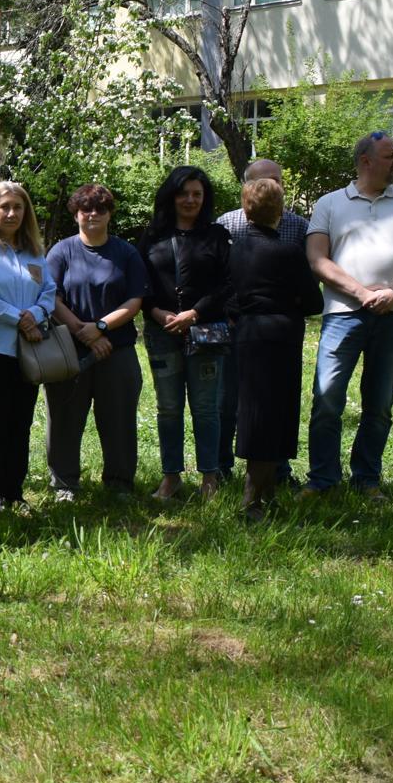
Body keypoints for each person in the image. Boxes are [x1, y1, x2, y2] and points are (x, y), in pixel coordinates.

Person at [304, 132, 393, 501]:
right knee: (327, 399)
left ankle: (366, 479)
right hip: (343, 314)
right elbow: (317, 259)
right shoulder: (330, 203)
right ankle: (322, 480)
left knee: (379, 403)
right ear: (365, 161)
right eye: (389, 155)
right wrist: (363, 294)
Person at [225, 178, 323, 518]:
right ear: (279, 209)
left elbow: (229, 296)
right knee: (275, 414)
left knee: (255, 411)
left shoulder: (234, 249)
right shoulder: (288, 251)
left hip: (248, 334)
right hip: (282, 335)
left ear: (246, 209)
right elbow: (313, 301)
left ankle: (265, 495)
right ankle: (252, 500)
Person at [45, 183, 147, 500]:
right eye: (85, 208)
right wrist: (83, 332)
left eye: (100, 208)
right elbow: (51, 298)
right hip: (69, 349)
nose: (92, 214)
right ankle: (64, 483)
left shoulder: (126, 253)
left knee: (119, 418)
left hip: (117, 348)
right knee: (64, 417)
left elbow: (135, 300)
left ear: (109, 214)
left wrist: (101, 328)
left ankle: (119, 482)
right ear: (75, 213)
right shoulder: (61, 252)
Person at [137, 165, 232, 500]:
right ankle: (171, 476)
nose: (190, 200)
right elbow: (140, 283)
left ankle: (210, 478)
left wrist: (194, 313)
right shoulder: (152, 236)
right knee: (168, 407)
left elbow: (228, 284)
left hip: (204, 333)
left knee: (206, 408)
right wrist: (156, 312)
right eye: (183, 193)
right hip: (162, 331)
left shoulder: (216, 236)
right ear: (171, 196)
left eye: (197, 194)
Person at [216, 158, 309, 482]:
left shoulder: (299, 227)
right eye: (264, 181)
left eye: (278, 180)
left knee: (277, 401)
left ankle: (278, 470)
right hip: (237, 327)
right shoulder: (226, 224)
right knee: (227, 399)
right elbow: (219, 277)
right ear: (246, 187)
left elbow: (305, 280)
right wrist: (229, 313)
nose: (273, 186)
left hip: (278, 332)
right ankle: (221, 466)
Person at [0, 181, 55, 511]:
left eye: (18, 207)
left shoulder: (35, 252)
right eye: (4, 207)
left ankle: (15, 492)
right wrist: (20, 318)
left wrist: (37, 314)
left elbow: (49, 291)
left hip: (28, 349)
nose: (11, 213)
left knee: (21, 421)